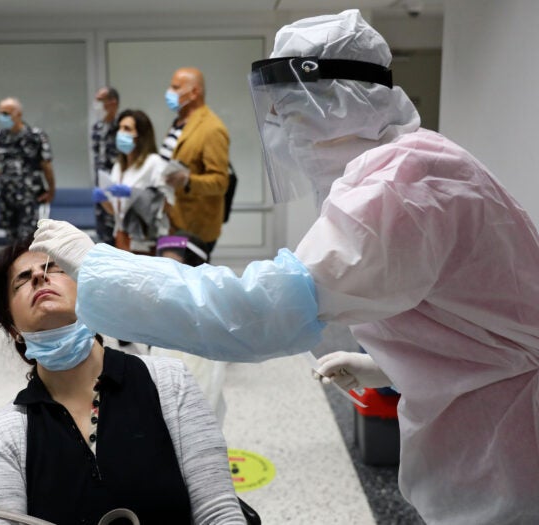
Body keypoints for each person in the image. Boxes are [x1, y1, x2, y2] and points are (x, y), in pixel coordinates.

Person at [31, 10, 539, 525]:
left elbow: (256, 312)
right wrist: (390, 364)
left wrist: (101, 265)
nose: (283, 131)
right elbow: (480, 320)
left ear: (343, 101)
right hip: (493, 417)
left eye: (293, 112)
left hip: (512, 446)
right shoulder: (414, 164)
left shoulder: (399, 189)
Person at [0, 239, 244, 524]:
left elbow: (218, 512)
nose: (39, 276)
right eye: (22, 280)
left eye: (55, 269)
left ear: (89, 295)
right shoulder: (4, 436)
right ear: (14, 330)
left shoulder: (170, 383)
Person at [150, 232, 227, 424]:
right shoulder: (166, 307)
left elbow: (202, 397)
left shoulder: (202, 320)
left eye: (173, 266)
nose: (164, 273)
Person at [159, 67, 229, 258]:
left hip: (195, 227)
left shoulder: (211, 128)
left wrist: (187, 180)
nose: (169, 92)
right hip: (173, 220)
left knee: (190, 281)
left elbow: (220, 182)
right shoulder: (179, 122)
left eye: (175, 87)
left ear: (194, 92)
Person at [0, 97, 56, 242]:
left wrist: (51, 189)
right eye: (0, 113)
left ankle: (28, 264)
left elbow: (46, 164)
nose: (2, 117)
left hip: (29, 195)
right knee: (11, 238)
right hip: (7, 195)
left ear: (18, 114)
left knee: (28, 238)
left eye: (6, 113)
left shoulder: (35, 136)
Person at [94, 109, 172, 254]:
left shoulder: (153, 163)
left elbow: (164, 204)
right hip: (121, 237)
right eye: (120, 128)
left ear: (140, 135)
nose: (120, 133)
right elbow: (116, 211)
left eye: (127, 129)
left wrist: (133, 194)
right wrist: (104, 199)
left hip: (145, 240)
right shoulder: (118, 166)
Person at [90, 86, 118, 245]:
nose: (97, 104)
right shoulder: (97, 128)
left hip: (117, 187)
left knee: (118, 233)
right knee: (103, 232)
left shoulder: (121, 126)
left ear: (113, 102)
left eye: (101, 100)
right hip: (101, 187)